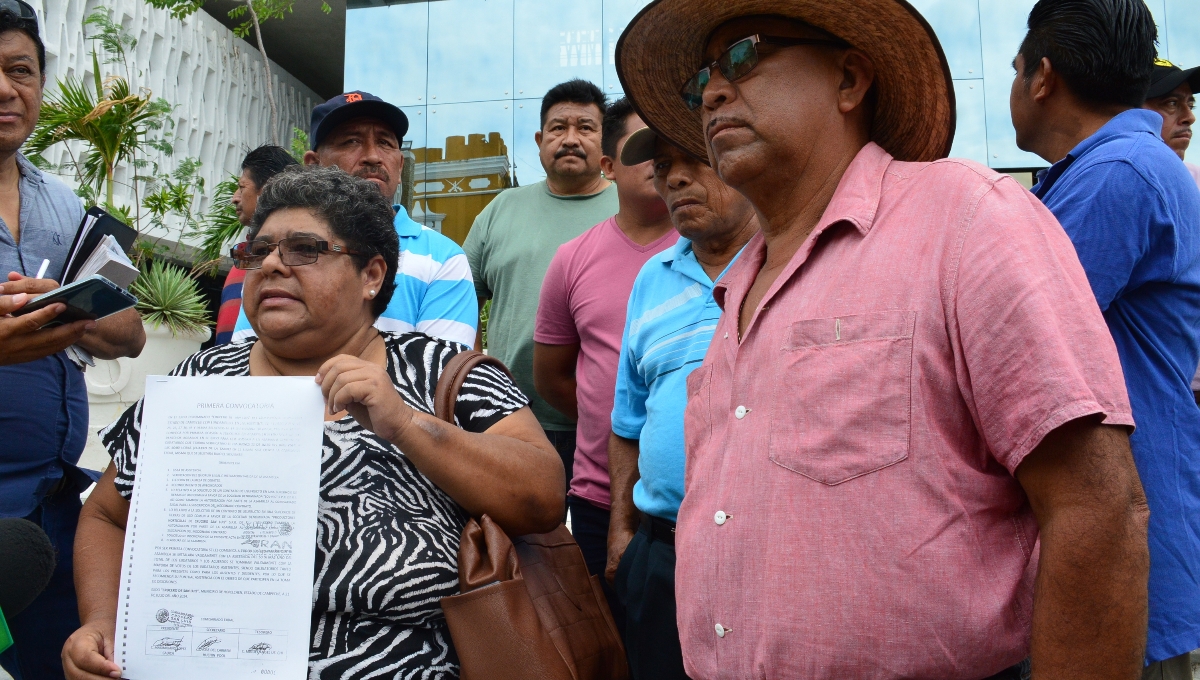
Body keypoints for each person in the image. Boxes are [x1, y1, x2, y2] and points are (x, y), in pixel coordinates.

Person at [617, 0, 1151, 678]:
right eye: (702, 83)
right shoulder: (736, 288)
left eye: (744, 56)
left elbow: (1096, 506)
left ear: (848, 80)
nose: (713, 92)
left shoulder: (963, 217)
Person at [62, 166, 564, 680]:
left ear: (372, 275)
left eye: (305, 249)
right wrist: (102, 623)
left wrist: (408, 426)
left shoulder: (439, 373)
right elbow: (107, 517)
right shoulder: (202, 379)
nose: (273, 266)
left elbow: (543, 496)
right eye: (258, 251)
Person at [1009, 1, 1200, 677]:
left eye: (1016, 66)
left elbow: (1015, 339)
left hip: (1124, 542)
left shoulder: (1118, 173)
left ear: (1042, 78)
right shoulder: (1112, 167)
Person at [0, 4, 146, 679]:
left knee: (69, 662)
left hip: (58, 507)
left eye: (19, 70)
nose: (6, 88)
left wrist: (68, 315)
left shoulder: (70, 209)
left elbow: (131, 329)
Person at [605, 126, 756, 680]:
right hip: (661, 555)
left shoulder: (787, 259)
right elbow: (627, 421)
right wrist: (622, 533)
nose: (675, 179)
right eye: (665, 166)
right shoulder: (652, 278)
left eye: (695, 160)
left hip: (762, 554)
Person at [533, 98, 677, 628]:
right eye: (644, 150)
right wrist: (611, 418)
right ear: (609, 166)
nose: (662, 163)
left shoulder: (712, 247)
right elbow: (551, 375)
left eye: (673, 148)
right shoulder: (573, 257)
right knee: (608, 647)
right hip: (597, 497)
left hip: (693, 501)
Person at [230, 91, 477, 348]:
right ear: (314, 165)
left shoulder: (442, 258)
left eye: (385, 143)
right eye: (351, 141)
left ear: (400, 166)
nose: (373, 156)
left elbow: (440, 372)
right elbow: (246, 363)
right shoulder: (275, 254)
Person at [463, 80, 618, 489]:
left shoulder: (632, 206)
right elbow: (463, 302)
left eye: (585, 127)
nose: (570, 139)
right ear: (539, 139)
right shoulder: (502, 208)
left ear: (606, 141)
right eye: (557, 128)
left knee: (601, 546)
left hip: (607, 426)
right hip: (511, 422)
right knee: (517, 548)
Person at [1142, 60, 1200, 404]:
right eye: (1171, 103)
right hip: (1160, 390)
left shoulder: (1195, 181)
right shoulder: (1113, 180)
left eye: (1190, 103)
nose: (1189, 117)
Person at [214, 144, 298, 345]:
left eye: (242, 188)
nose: (235, 198)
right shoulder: (246, 253)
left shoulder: (290, 262)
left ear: (268, 190)